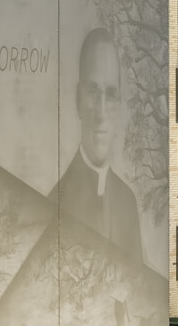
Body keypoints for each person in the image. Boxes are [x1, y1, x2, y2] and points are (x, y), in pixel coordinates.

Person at [56, 27, 145, 269]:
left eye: (111, 94)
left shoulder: (128, 202)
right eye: (93, 92)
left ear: (119, 103)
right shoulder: (54, 205)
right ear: (78, 99)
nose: (102, 112)